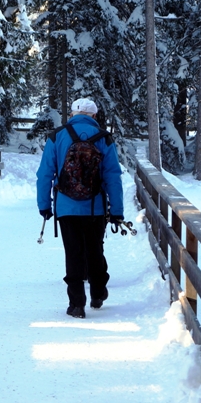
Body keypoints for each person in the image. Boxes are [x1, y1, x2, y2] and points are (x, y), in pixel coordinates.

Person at [36, 98, 125, 318]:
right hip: (95, 208)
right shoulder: (104, 138)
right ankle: (97, 293)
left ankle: (76, 304)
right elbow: (113, 177)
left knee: (73, 253)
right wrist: (117, 211)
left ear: (73, 114)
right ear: (94, 116)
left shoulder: (56, 136)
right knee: (95, 249)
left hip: (66, 207)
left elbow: (45, 175)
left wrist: (44, 206)